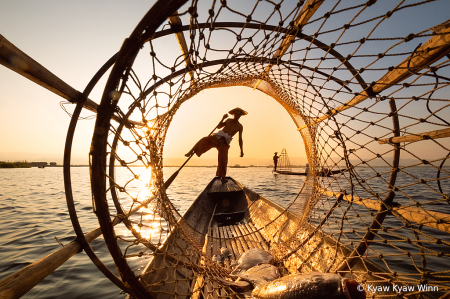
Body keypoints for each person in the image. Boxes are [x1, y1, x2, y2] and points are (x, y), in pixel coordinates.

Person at [185, 108, 247, 183]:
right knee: (204, 139)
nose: (237, 115)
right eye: (236, 113)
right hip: (217, 137)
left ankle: (222, 177)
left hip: (224, 143)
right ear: (233, 114)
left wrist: (241, 151)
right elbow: (218, 126)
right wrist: (223, 118)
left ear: (240, 115)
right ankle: (191, 151)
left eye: (239, 114)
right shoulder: (228, 120)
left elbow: (240, 139)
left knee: (223, 160)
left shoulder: (240, 126)